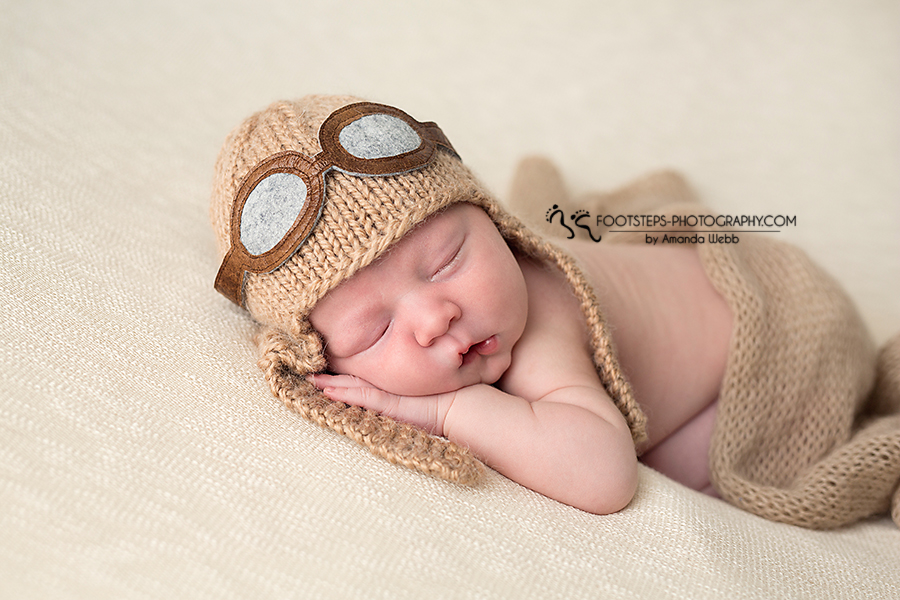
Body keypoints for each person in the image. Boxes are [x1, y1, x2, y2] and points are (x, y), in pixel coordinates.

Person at [211, 95, 900, 528]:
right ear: (319, 353)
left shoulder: (540, 325)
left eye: (448, 258)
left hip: (781, 328)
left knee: (690, 468)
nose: (437, 317)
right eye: (375, 328)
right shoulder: (473, 313)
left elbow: (605, 477)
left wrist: (450, 412)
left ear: (496, 223)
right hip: (710, 280)